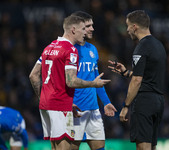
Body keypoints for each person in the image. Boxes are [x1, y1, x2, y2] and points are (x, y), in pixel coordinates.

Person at [29, 15, 110, 150]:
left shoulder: (49, 47)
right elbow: (71, 81)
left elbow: (33, 75)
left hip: (46, 104)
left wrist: (43, 98)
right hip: (59, 104)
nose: (85, 32)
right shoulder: (70, 50)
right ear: (73, 30)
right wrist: (93, 84)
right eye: (83, 29)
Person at [108, 10, 166, 150]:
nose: (127, 30)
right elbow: (147, 75)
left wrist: (126, 106)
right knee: (151, 146)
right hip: (158, 101)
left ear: (135, 26)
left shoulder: (142, 46)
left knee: (143, 147)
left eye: (128, 26)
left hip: (145, 101)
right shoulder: (158, 45)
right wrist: (126, 72)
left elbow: (137, 80)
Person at [70, 11, 117, 150]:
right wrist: (67, 102)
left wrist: (106, 102)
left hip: (93, 109)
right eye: (88, 26)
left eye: (92, 25)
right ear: (79, 27)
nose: (92, 29)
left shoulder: (92, 49)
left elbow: (96, 79)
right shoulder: (69, 49)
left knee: (100, 147)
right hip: (75, 109)